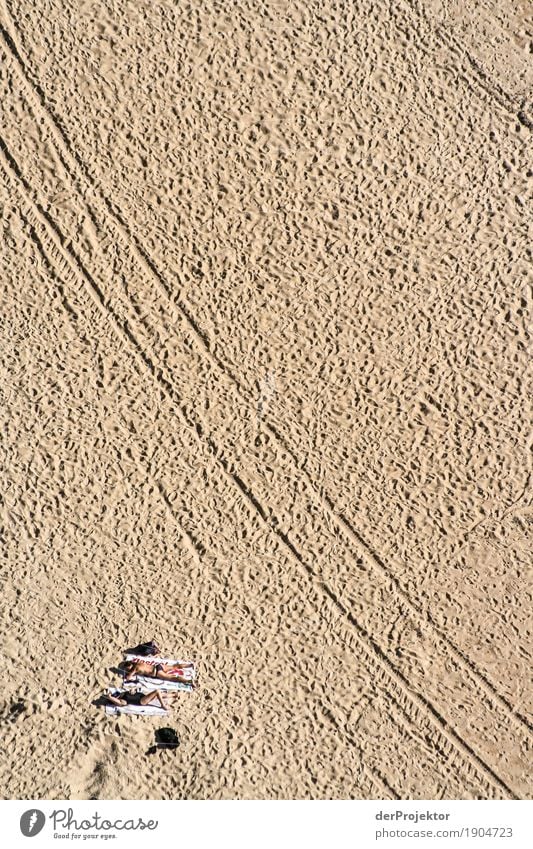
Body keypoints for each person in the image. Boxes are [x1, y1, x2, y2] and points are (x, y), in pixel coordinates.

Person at [122, 659, 195, 686]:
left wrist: (127, 674)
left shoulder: (134, 669)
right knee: (174, 666)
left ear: (130, 666)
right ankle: (190, 665)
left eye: (127, 668)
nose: (128, 670)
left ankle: (189, 681)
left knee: (173, 678)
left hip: (157, 673)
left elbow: (128, 678)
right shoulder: (139, 662)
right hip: (158, 666)